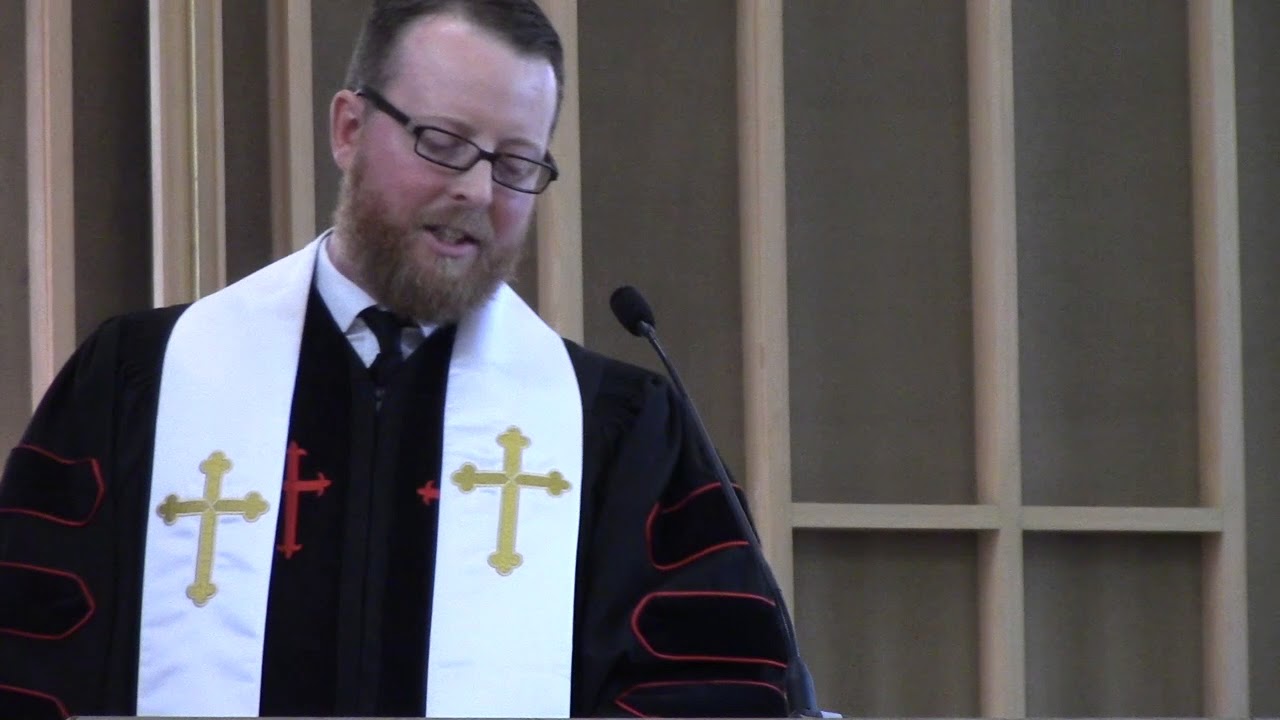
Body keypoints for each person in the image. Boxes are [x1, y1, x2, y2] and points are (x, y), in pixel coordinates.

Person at [0, 1, 796, 718]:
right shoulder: (144, 381)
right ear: (348, 128)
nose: (479, 193)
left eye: (517, 164)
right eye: (444, 144)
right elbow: (29, 658)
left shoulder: (618, 435)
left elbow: (710, 687)